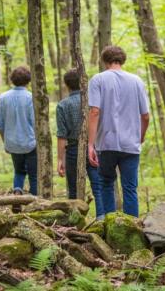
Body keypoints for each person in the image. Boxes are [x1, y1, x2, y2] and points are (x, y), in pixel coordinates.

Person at [88, 46, 150, 218]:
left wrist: (90, 144)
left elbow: (94, 112)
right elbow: (145, 116)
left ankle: (110, 224)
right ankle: (132, 228)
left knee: (106, 183)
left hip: (106, 143)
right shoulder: (137, 81)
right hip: (130, 143)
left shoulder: (97, 80)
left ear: (105, 61)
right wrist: (140, 136)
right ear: (122, 60)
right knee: (130, 188)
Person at [56, 69, 103, 219]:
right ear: (84, 83)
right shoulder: (93, 103)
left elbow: (62, 135)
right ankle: (102, 217)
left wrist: (60, 159)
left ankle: (75, 219)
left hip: (73, 150)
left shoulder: (62, 105)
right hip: (94, 147)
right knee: (98, 185)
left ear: (66, 85)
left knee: (73, 188)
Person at [0, 66, 37, 203]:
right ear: (28, 81)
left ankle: (17, 195)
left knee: (19, 171)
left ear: (12, 80)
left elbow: (0, 124)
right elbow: (35, 122)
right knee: (34, 175)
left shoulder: (3, 98)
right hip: (30, 143)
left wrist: (5, 142)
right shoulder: (31, 98)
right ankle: (33, 202)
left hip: (12, 143)